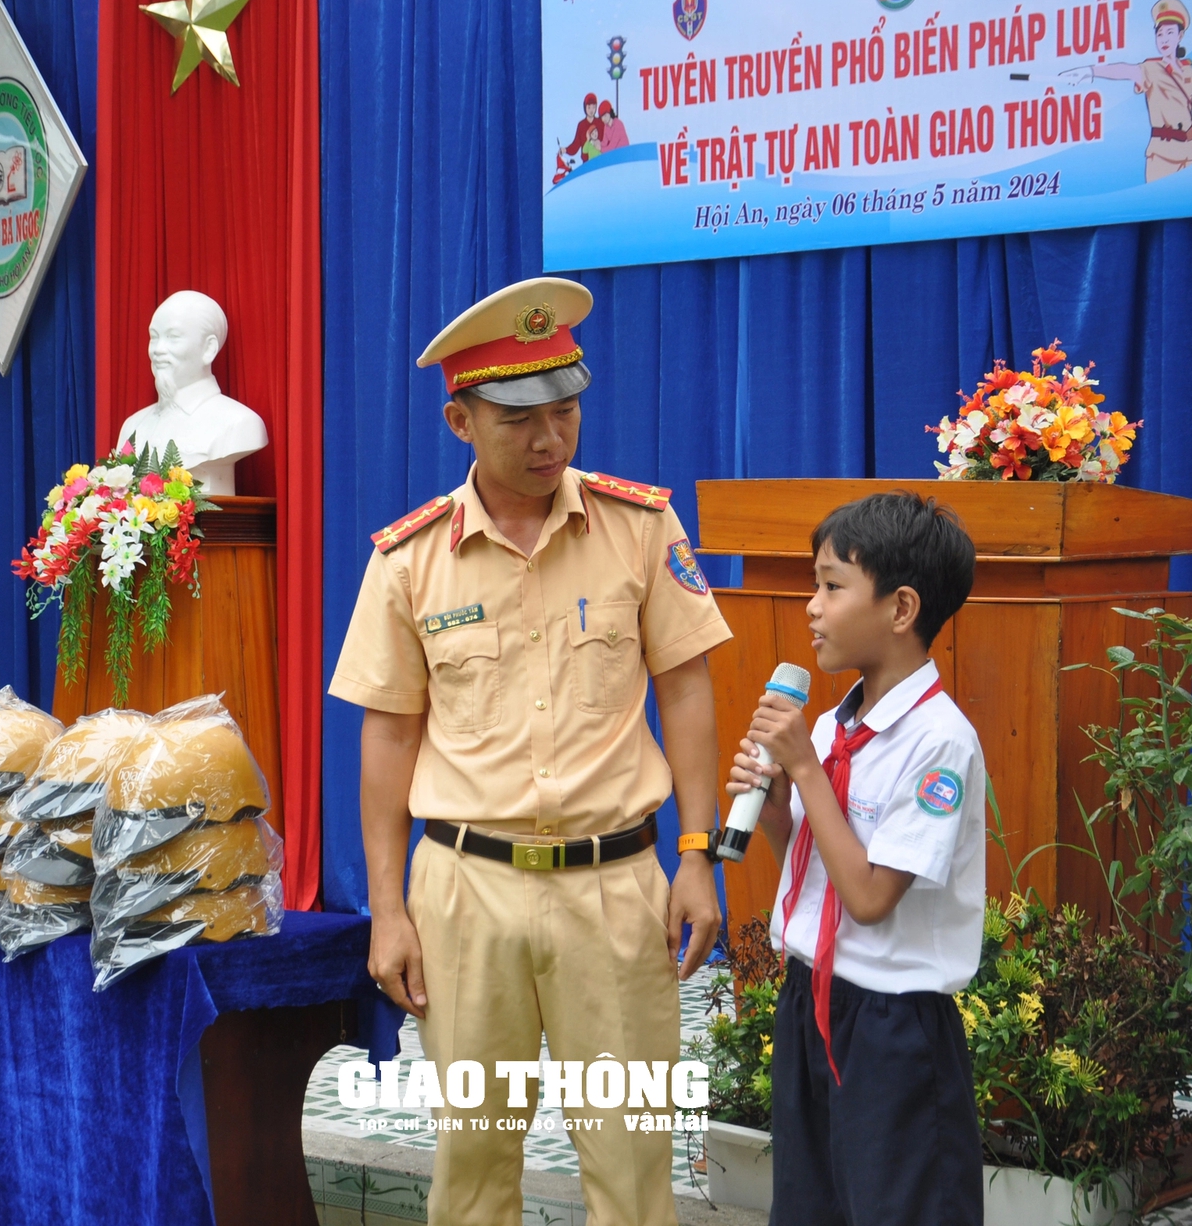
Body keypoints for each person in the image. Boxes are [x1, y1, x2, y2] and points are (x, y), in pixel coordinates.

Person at [330, 276, 731, 1226]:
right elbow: (389, 736)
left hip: (616, 886)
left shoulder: (640, 528)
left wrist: (697, 855)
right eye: (519, 420)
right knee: (472, 1168)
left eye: (566, 411)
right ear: (460, 421)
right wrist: (388, 910)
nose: (551, 438)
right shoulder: (409, 560)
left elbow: (686, 690)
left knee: (632, 1166)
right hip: (467, 894)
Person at [728, 492, 985, 1226]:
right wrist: (775, 812)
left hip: (891, 1029)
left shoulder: (938, 742)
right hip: (810, 1002)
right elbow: (822, 874)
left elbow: (870, 900)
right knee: (810, 1207)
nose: (811, 607)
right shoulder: (835, 726)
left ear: (901, 608)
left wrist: (806, 772)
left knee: (898, 1209)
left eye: (832, 586)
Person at [115, 290, 268, 494]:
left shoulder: (240, 423)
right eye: (154, 337)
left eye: (173, 337)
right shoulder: (133, 426)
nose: (158, 349)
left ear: (209, 349)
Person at [1062, 0, 1192, 182]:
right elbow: (1124, 70)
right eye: (1160, 34)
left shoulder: (1188, 70)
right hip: (1163, 155)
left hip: (1191, 151)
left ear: (1180, 36)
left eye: (1169, 32)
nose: (1164, 39)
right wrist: (1090, 71)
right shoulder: (1151, 69)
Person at [563, 93, 604, 161]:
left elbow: (606, 142)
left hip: (600, 161)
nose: (591, 110)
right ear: (585, 107)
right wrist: (565, 150)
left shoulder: (600, 123)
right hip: (586, 163)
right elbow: (575, 145)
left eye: (594, 107)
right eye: (589, 107)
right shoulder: (581, 125)